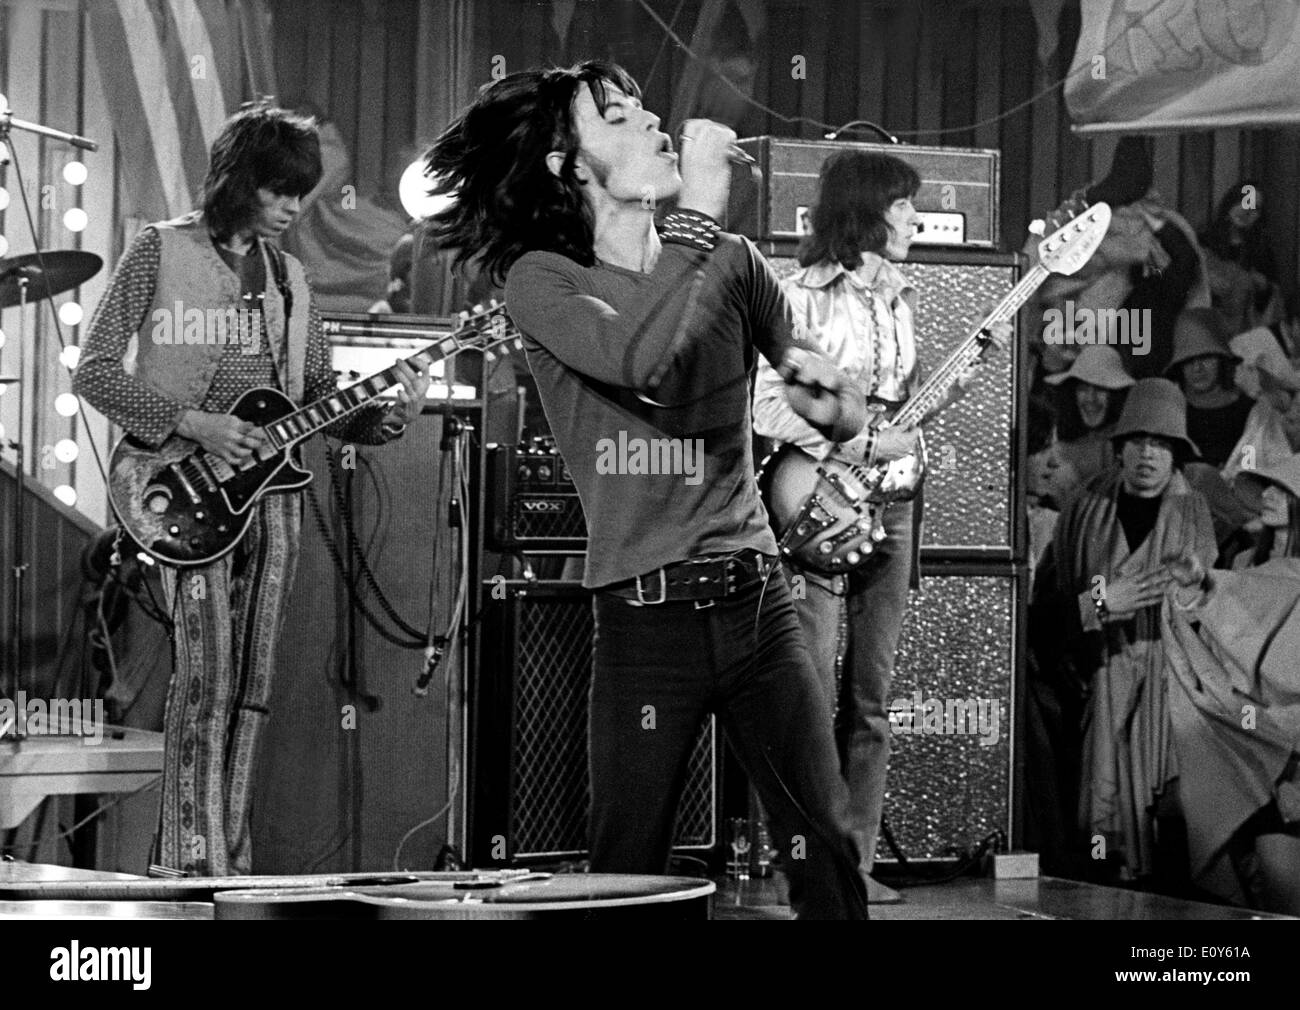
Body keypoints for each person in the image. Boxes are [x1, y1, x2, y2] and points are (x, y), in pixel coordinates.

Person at [424, 60, 871, 918]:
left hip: (757, 604)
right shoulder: (544, 281)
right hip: (646, 618)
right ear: (567, 163)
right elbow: (640, 356)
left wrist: (838, 402)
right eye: (620, 118)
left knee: (824, 845)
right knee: (627, 874)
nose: (655, 123)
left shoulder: (734, 262)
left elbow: (826, 393)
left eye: (645, 107)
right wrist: (700, 209)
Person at [73, 104, 429, 875]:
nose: (294, 207)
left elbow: (323, 398)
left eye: (302, 193)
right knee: (207, 676)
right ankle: (188, 860)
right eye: (279, 191)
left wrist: (395, 410)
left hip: (274, 501)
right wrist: (193, 425)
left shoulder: (293, 280)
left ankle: (226, 858)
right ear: (241, 180)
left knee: (254, 685)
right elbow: (93, 371)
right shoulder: (158, 250)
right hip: (180, 485)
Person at [751, 149, 1010, 902]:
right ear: (864, 210)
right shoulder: (796, 298)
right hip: (818, 501)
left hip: (893, 506)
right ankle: (803, 863)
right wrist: (854, 444)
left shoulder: (899, 299)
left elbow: (901, 408)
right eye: (901, 205)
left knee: (873, 696)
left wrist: (956, 380)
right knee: (804, 691)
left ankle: (853, 869)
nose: (913, 219)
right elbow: (765, 407)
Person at [1043, 378, 1216, 886]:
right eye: (1139, 441)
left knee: (1161, 826)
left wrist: (1198, 583)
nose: (1148, 454)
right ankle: (1101, 879)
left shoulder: (1195, 514)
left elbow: (1215, 613)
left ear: (1176, 456)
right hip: (1094, 681)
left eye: (1162, 445)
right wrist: (1099, 604)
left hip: (1169, 693)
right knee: (1098, 827)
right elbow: (1046, 616)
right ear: (1119, 449)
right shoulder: (1084, 508)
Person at [1165, 308, 1253, 470]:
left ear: (1222, 360)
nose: (1197, 368)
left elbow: (1256, 465)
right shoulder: (1169, 412)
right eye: (1188, 360)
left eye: (1205, 357)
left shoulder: (1251, 413)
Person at [1044, 345, 1134, 490]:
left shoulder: (1127, 446)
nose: (1090, 399)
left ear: (1116, 396)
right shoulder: (1059, 446)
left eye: (1100, 389)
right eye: (1083, 389)